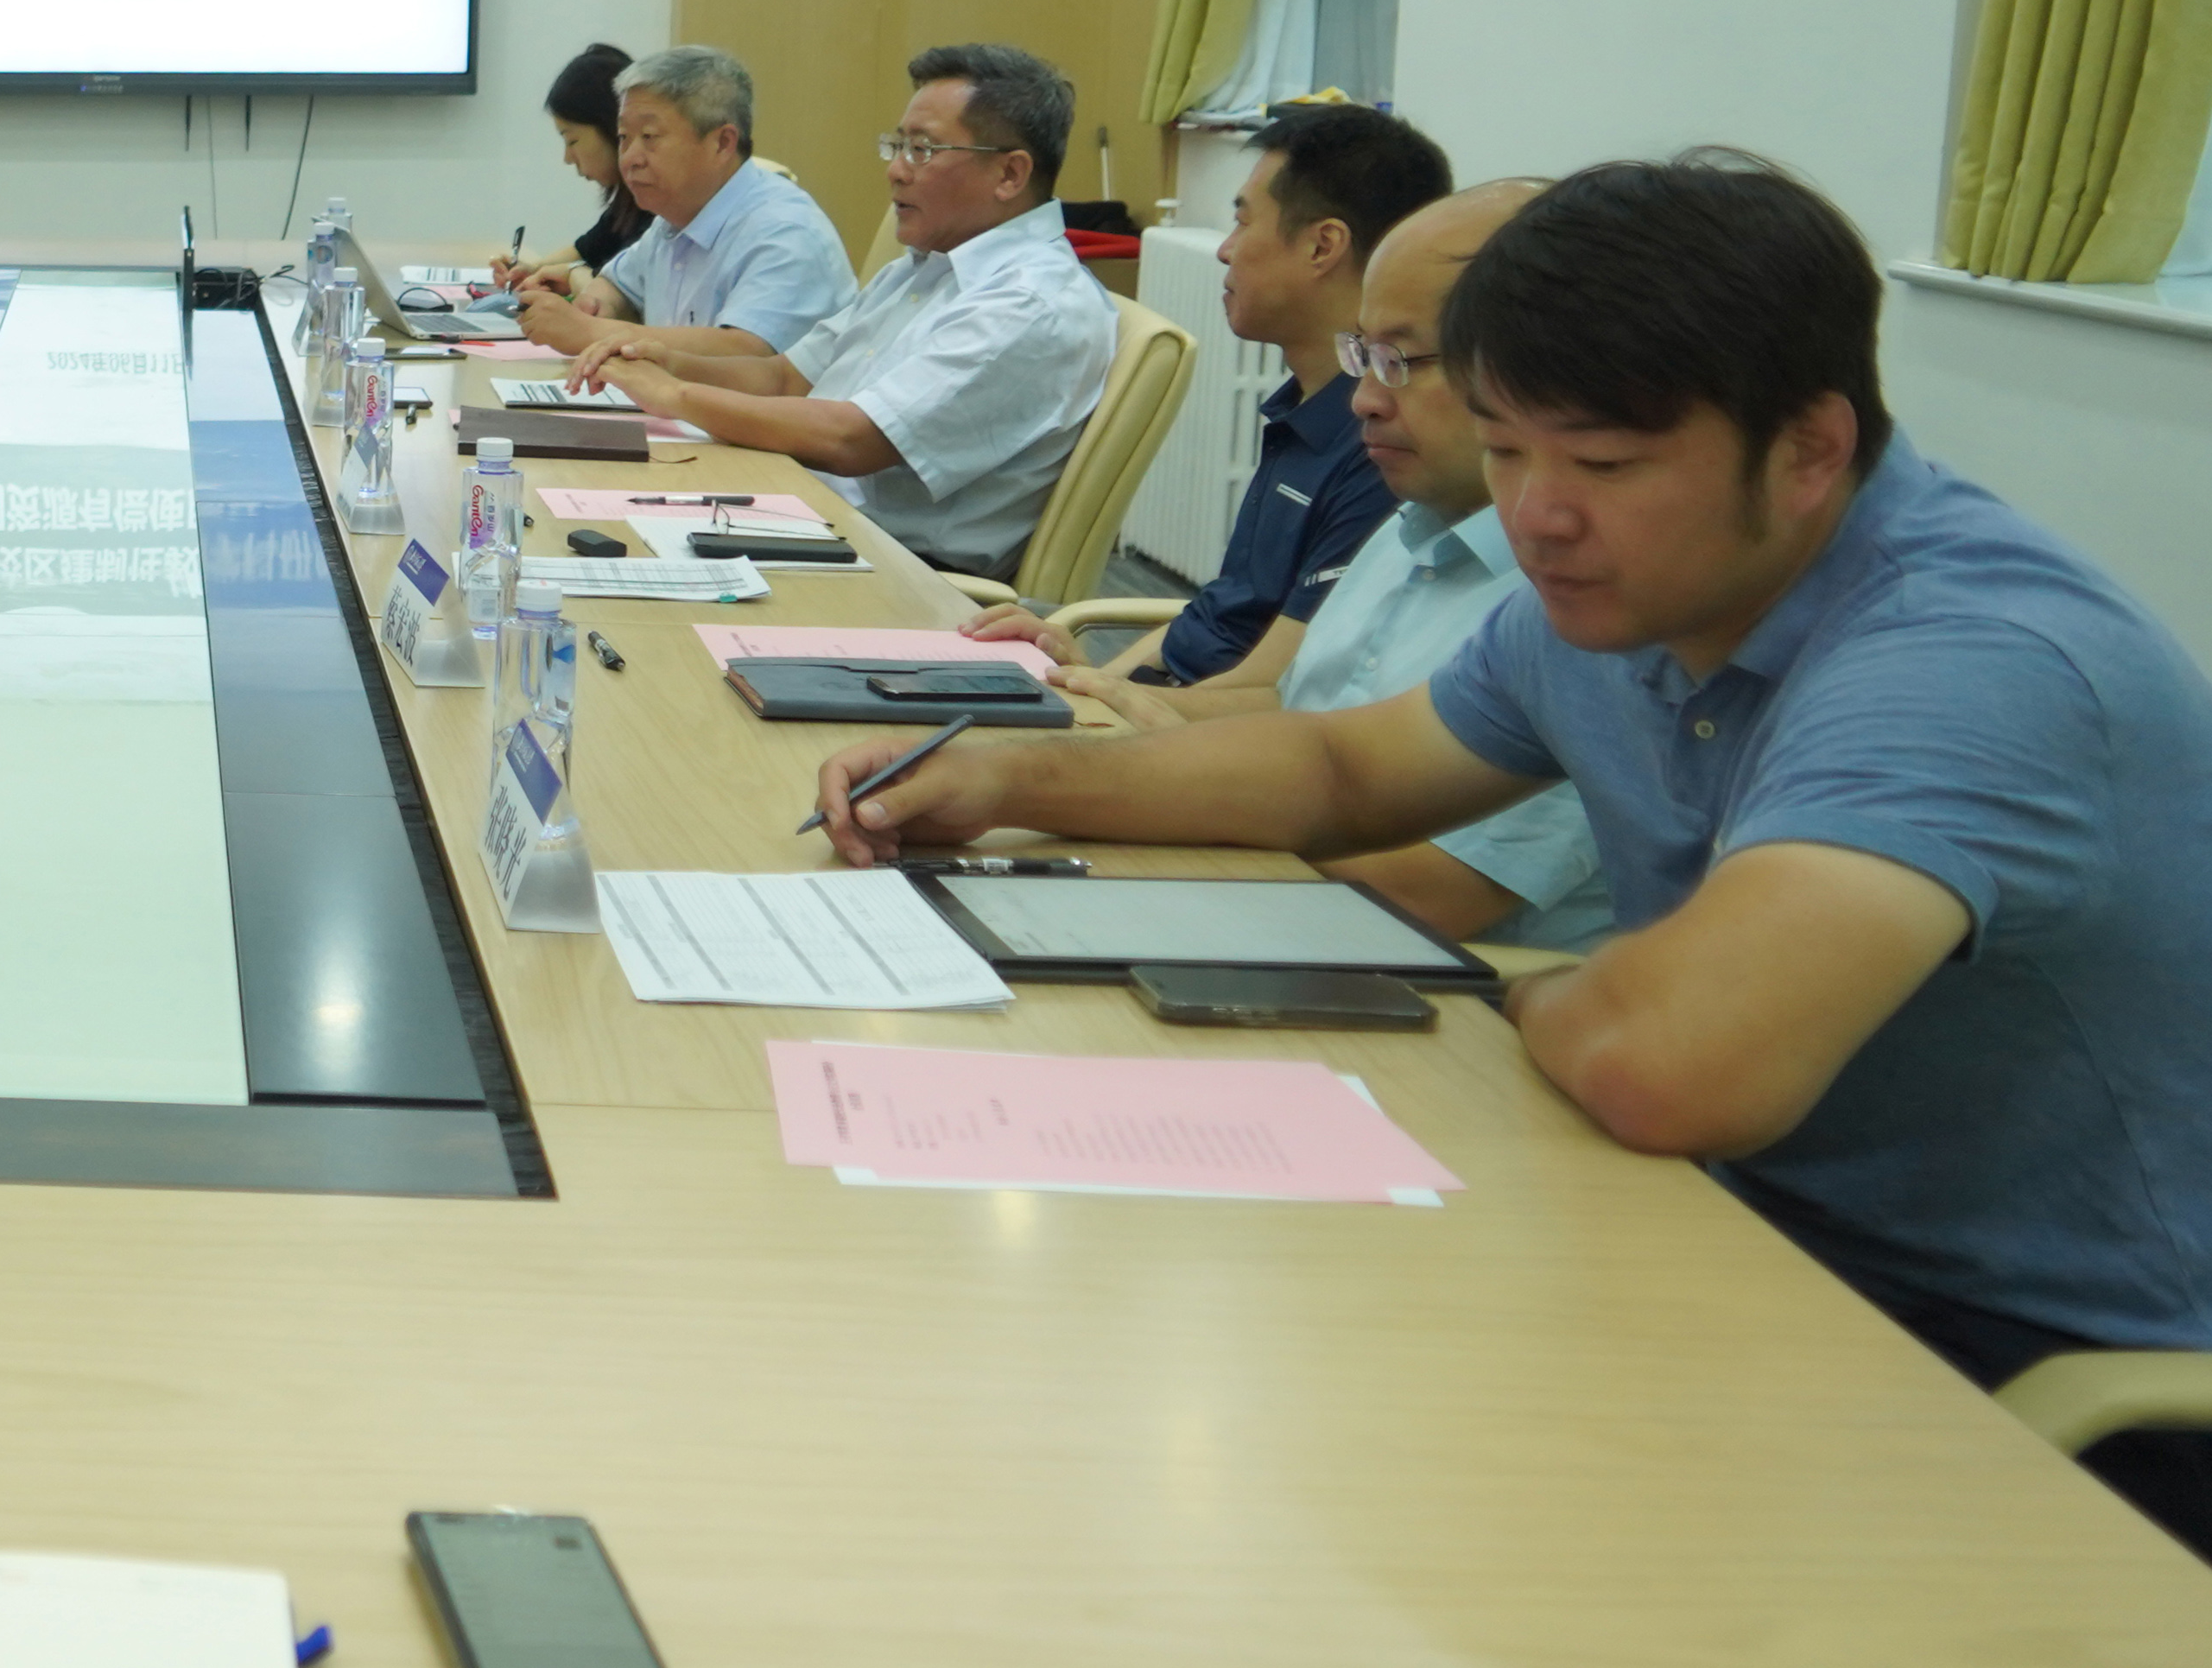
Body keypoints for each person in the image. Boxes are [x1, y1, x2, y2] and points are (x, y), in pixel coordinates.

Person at [810, 155, 2212, 1551]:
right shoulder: (1639, 577)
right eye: (1507, 445)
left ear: (1808, 450)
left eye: (1602, 462)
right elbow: (1345, 767)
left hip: (2043, 1389)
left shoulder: (1969, 666)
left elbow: (1667, 1061)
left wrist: (1534, 987)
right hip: (1726, 1238)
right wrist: (1013, 775)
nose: (1537, 513)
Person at [1037, 182, 1608, 948]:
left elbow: (1424, 893)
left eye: (1399, 360)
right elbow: (1303, 711)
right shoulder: (1413, 521)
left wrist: (1176, 798)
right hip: (1286, 907)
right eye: (1363, 356)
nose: (1364, 399)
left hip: (1408, 970)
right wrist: (1099, 707)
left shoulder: (1586, 601)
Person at [563, 42, 1115, 575]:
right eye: (897, 146)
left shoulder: (1027, 301)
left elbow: (851, 440)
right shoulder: (923, 268)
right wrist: (666, 361)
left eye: (922, 150)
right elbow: (784, 378)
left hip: (892, 569)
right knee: (574, 509)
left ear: (1011, 175)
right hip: (805, 515)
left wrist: (674, 395)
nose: (896, 170)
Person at [971, 99, 1450, 684]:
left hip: (1209, 727)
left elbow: (1274, 693)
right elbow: (1220, 614)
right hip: (1168, 706)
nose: (1226, 249)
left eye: (1244, 222)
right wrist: (1093, 679)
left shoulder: (1376, 441)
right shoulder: (1301, 406)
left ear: (1322, 246)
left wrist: (1096, 700)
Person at [502, 43, 850, 361]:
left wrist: (591, 332)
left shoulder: (787, 232)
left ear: (722, 143)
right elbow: (618, 285)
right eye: (623, 137)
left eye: (649, 137)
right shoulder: (674, 218)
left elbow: (747, 352)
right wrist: (597, 303)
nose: (630, 159)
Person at [483, 41, 656, 312]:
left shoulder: (657, 207)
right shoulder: (628, 204)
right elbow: (585, 250)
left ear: (612, 128)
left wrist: (572, 274)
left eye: (572, 141)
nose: (567, 158)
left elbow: (613, 306)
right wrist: (532, 270)